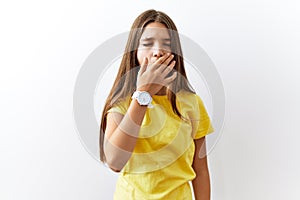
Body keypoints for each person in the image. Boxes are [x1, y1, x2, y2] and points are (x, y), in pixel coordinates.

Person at [99, 9, 214, 200]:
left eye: (167, 44)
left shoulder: (191, 103)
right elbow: (115, 162)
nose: (158, 51)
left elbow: (200, 170)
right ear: (134, 51)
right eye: (148, 43)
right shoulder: (121, 105)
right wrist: (143, 94)